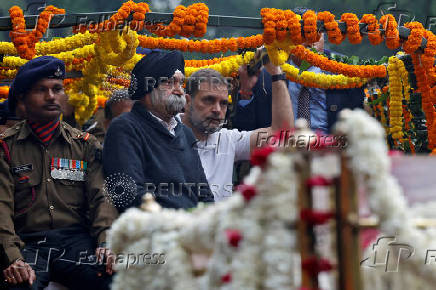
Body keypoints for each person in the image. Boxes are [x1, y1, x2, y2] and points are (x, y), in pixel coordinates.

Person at [0, 56, 118, 290]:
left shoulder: (85, 145)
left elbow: (102, 198)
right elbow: (1, 207)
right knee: (18, 285)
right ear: (22, 98)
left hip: (76, 241)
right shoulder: (5, 147)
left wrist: (106, 241)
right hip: (27, 243)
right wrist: (13, 257)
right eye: (41, 90)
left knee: (113, 280)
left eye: (57, 89)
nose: (51, 96)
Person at [103, 50, 214, 211]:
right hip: (153, 229)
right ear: (148, 89)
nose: (179, 90)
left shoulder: (186, 133)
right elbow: (127, 195)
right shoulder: (125, 128)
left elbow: (204, 195)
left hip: (193, 229)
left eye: (180, 83)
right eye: (169, 82)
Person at [232, 7, 364, 134]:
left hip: (331, 152)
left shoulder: (346, 70)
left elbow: (360, 124)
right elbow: (245, 130)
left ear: (324, 36)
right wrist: (246, 92)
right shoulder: (266, 74)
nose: (310, 41)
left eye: (316, 33)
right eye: (301, 34)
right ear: (286, 38)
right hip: (283, 151)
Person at [181, 54, 294, 201]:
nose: (217, 109)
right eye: (208, 100)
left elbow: (282, 135)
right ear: (187, 101)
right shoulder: (162, 132)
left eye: (223, 103)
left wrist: (276, 74)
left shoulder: (228, 139)